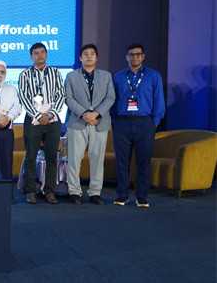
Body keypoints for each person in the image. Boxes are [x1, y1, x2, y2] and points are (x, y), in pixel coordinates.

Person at [111, 43, 165, 208]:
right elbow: (112, 100)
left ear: (143, 57)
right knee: (121, 162)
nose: (135, 57)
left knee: (143, 162)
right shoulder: (118, 76)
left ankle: (142, 197)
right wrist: (115, 121)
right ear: (126, 57)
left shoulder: (153, 76)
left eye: (138, 54)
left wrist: (153, 124)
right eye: (131, 55)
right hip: (122, 123)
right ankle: (122, 195)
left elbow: (159, 101)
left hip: (144, 123)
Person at [64, 44, 116, 205]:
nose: (89, 56)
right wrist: (84, 114)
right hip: (78, 122)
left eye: (92, 54)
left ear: (97, 57)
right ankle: (74, 192)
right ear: (80, 58)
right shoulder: (71, 76)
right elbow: (68, 98)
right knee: (74, 159)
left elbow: (110, 97)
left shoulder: (106, 76)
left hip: (99, 122)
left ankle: (95, 193)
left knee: (97, 159)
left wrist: (97, 113)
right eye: (85, 54)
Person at [18, 42, 66, 204]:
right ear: (31, 56)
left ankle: (50, 191)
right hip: (33, 120)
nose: (39, 55)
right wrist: (39, 115)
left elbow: (61, 95)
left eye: (42, 52)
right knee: (31, 156)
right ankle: (30, 191)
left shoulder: (55, 72)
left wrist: (51, 114)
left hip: (52, 120)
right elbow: (23, 97)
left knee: (52, 156)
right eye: (36, 53)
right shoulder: (25, 74)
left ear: (46, 54)